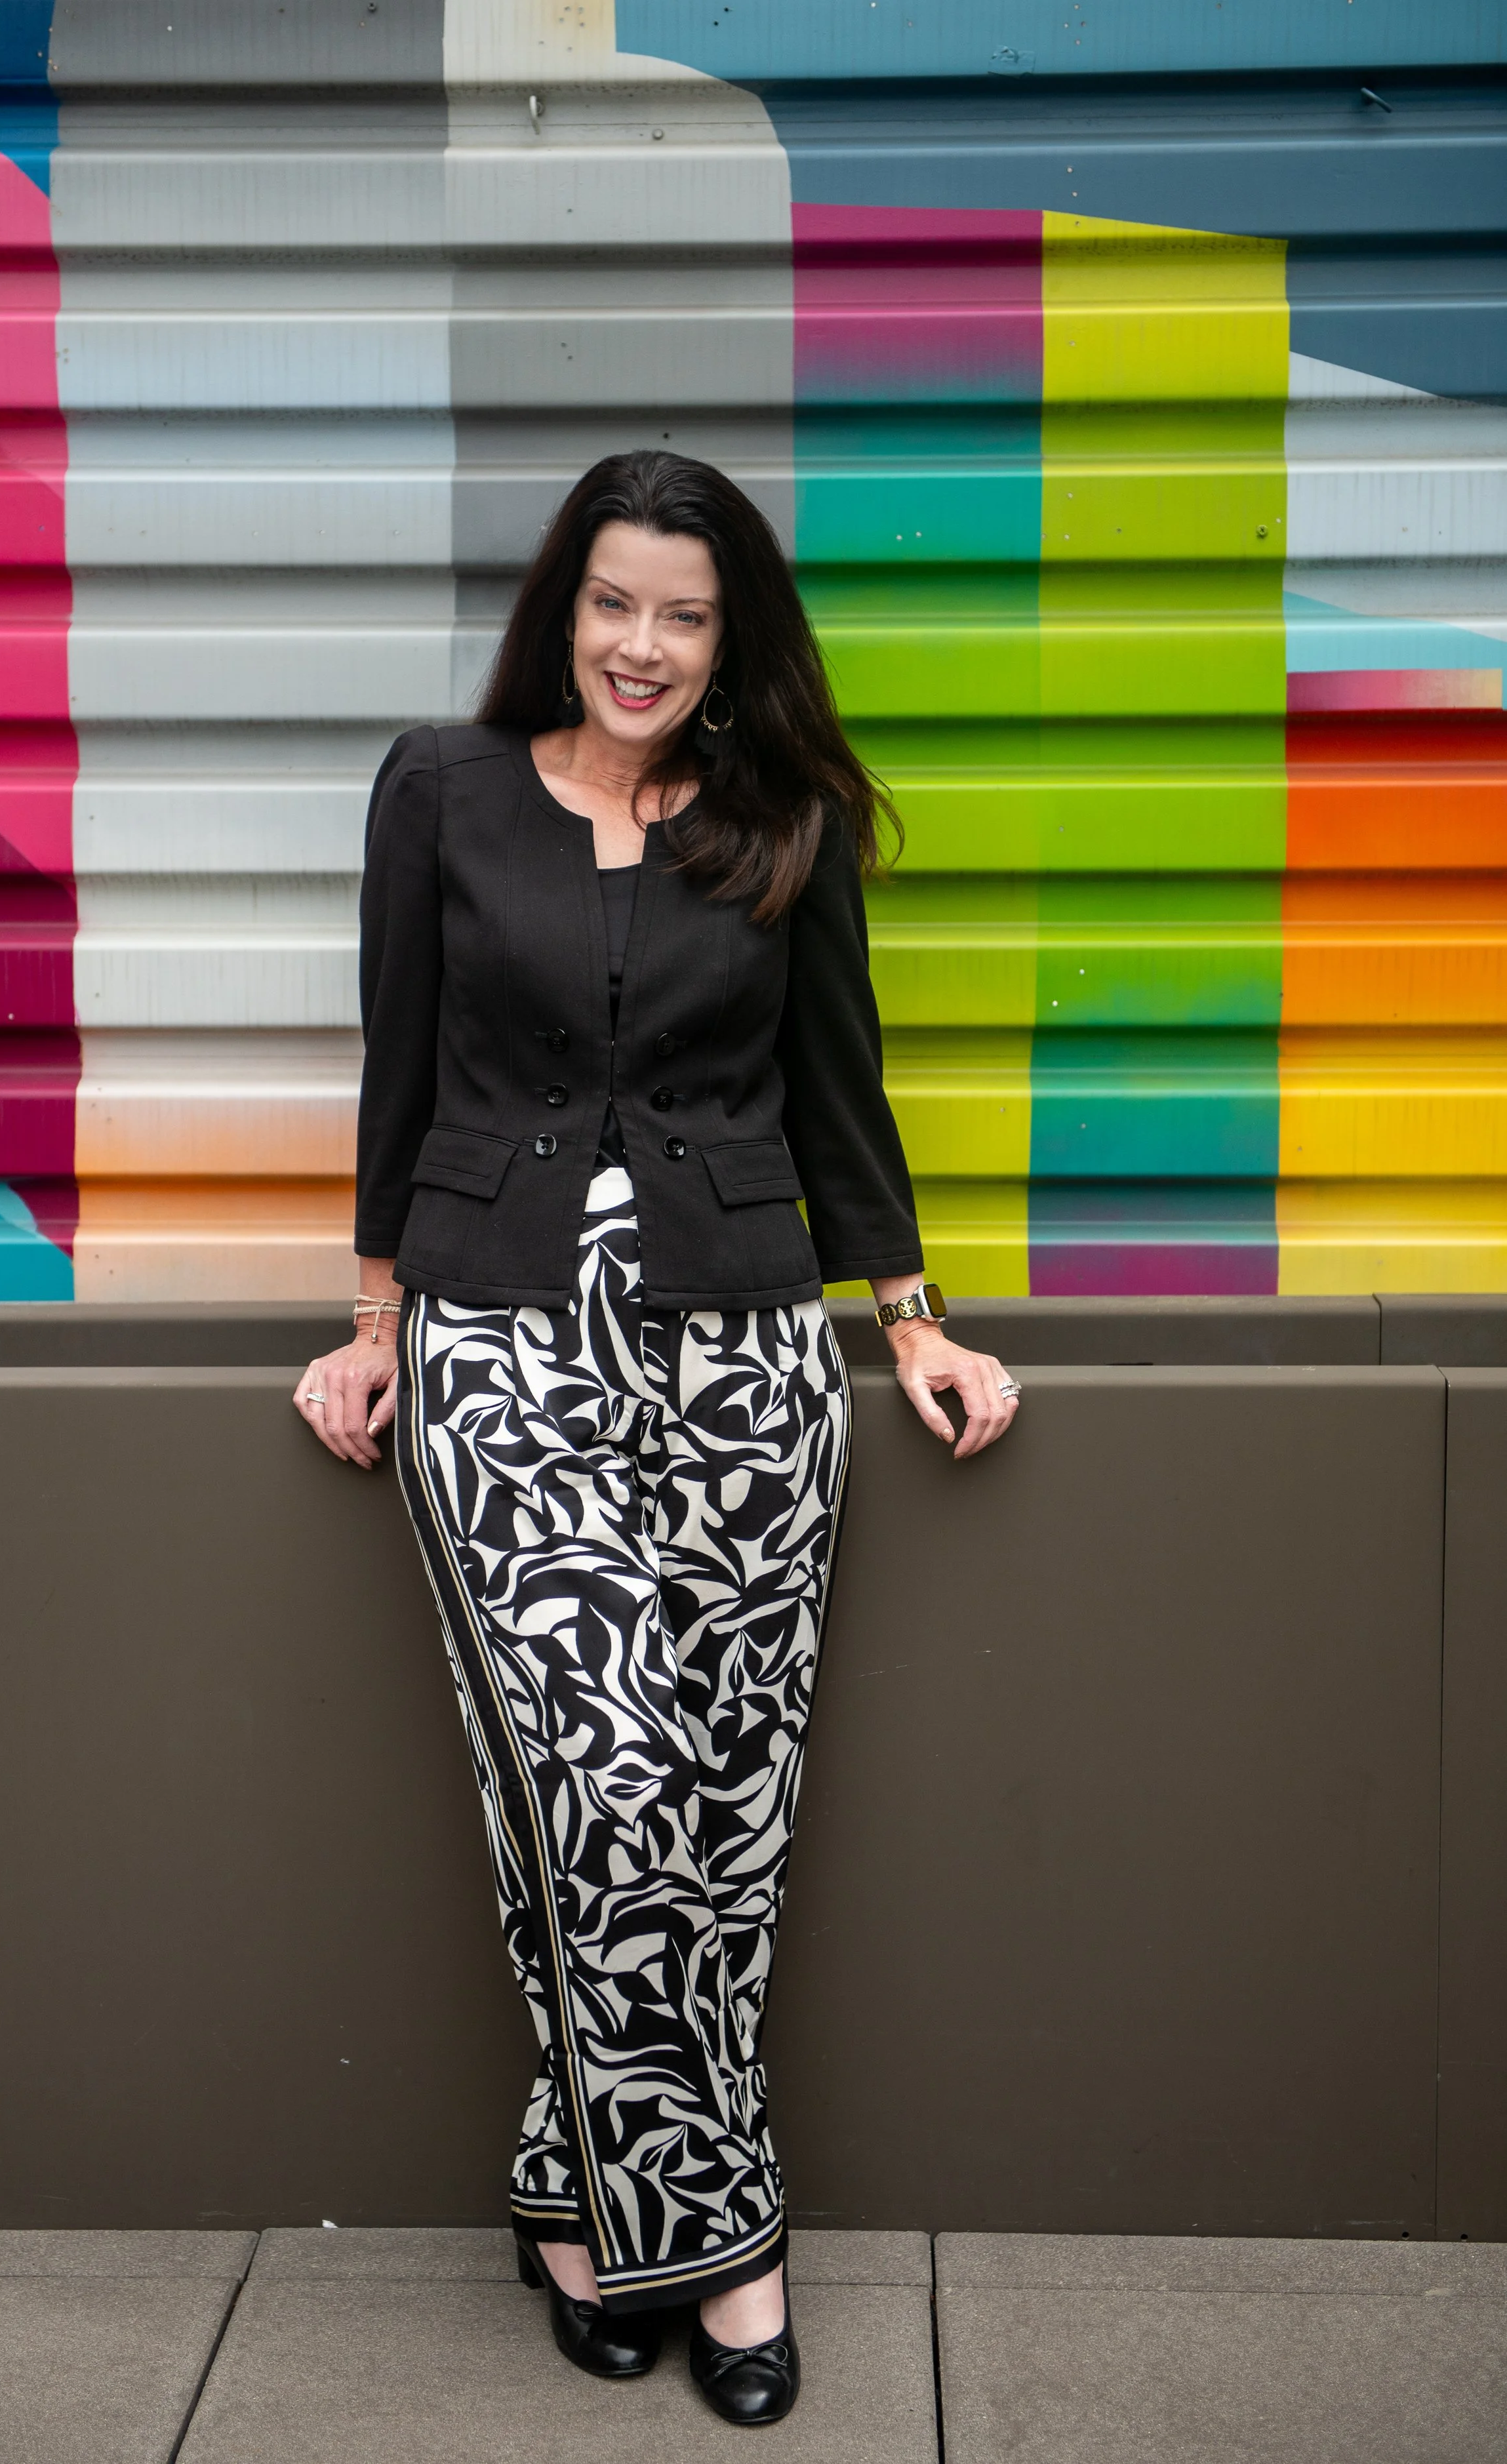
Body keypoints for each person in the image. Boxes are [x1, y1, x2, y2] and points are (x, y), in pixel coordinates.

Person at [295, 451, 1020, 2425]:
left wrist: (912, 1323)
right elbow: (396, 1060)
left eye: (685, 615)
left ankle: (572, 2193)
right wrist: (372, 1324)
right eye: (614, 602)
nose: (642, 644)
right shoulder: (438, 790)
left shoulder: (782, 818)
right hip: (504, 1344)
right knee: (603, 1792)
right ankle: (731, 2245)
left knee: (720, 1817)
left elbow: (837, 1088)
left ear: (731, 641)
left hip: (743, 1363)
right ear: (567, 607)